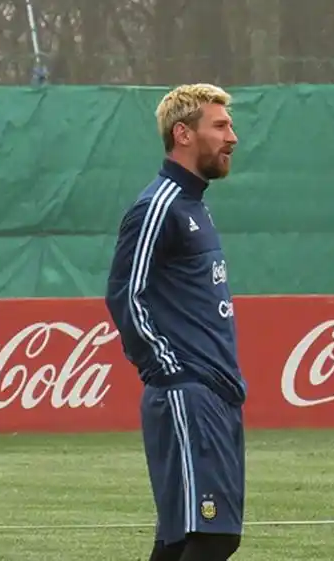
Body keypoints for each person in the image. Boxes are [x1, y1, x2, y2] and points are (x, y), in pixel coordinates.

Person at [104, 83, 246, 561]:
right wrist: (169, 370)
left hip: (215, 395)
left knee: (181, 541)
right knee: (212, 537)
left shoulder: (194, 205)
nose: (232, 138)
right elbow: (125, 293)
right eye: (220, 126)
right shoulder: (158, 206)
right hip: (188, 393)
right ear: (183, 134)